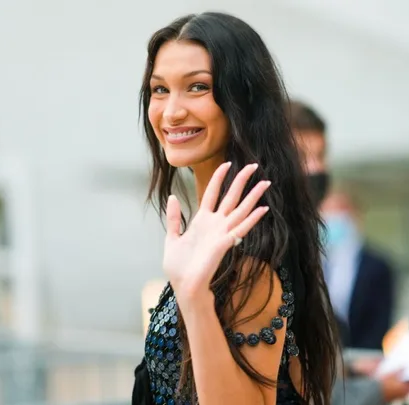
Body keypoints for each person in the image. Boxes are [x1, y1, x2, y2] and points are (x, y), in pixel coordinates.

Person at [132, 12, 339, 405]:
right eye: (159, 90)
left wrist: (193, 295)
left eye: (197, 87)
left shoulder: (252, 248)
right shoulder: (220, 234)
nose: (171, 112)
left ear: (243, 100)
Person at [286, 100, 409, 404]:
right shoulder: (272, 248)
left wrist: (349, 367)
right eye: (303, 157)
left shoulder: (302, 245)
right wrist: (377, 390)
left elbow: (297, 363)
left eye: (320, 156)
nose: (316, 170)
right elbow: (295, 386)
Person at [322, 191, 396, 350]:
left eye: (340, 210)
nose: (332, 217)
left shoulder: (377, 266)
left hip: (362, 360)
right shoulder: (309, 260)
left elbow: (380, 322)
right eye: (326, 210)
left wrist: (358, 360)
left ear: (357, 216)